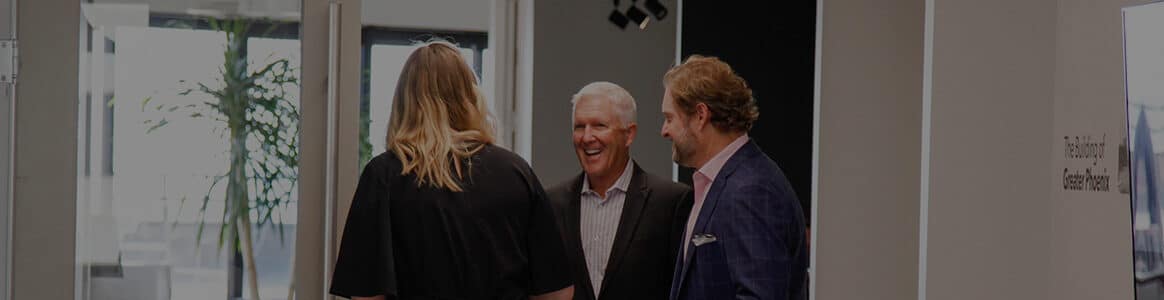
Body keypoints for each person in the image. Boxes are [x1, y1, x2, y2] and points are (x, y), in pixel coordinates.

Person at [328, 42, 574, 300]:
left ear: (404, 100)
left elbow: (368, 295)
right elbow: (556, 292)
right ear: (470, 96)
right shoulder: (516, 172)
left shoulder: (383, 176)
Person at [660, 55, 808, 300]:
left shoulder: (751, 190)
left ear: (700, 115)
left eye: (669, 118)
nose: (664, 131)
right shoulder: (726, 181)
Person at [546, 82, 693, 300]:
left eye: (599, 125)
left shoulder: (672, 202)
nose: (587, 137)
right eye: (579, 126)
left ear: (629, 134)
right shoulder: (551, 203)